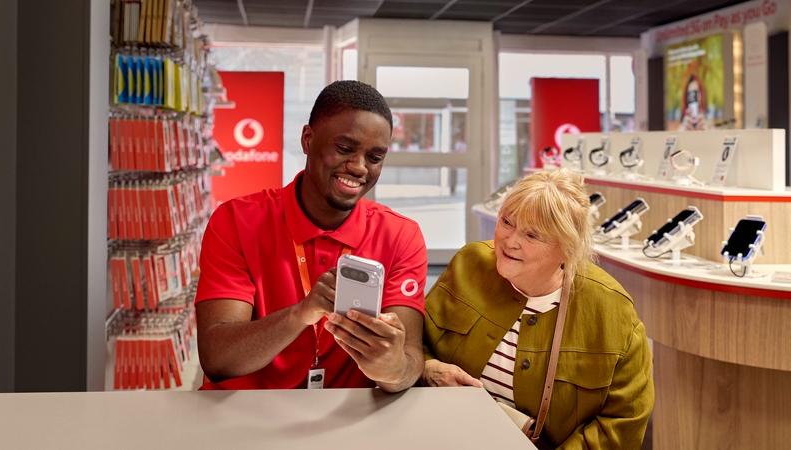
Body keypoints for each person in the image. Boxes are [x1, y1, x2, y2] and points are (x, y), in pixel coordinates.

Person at [194, 80, 427, 392]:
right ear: (307, 139)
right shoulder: (236, 221)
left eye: (374, 157)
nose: (359, 167)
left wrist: (393, 367)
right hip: (245, 418)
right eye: (344, 149)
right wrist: (300, 314)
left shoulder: (401, 235)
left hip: (344, 423)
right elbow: (217, 360)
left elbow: (409, 362)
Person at [421, 169, 654, 448]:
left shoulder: (612, 310)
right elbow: (416, 341)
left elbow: (623, 422)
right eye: (507, 221)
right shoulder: (468, 264)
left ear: (568, 248)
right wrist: (429, 367)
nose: (510, 241)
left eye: (532, 235)